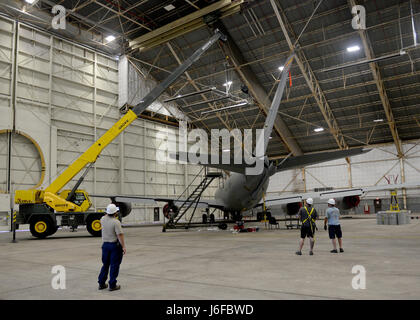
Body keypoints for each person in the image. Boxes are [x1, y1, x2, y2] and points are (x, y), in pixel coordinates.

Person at [98, 203, 127, 291]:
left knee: (105, 265)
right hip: (114, 246)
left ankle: (101, 283)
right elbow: (120, 235)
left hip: (105, 245)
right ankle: (112, 285)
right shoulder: (116, 222)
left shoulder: (102, 219)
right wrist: (123, 246)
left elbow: (106, 215)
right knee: (114, 265)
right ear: (116, 213)